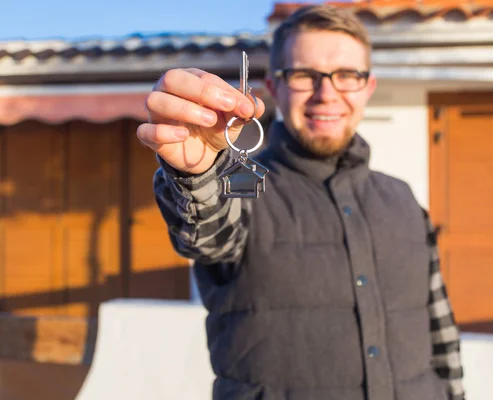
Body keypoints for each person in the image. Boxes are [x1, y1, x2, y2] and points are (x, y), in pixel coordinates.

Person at [137, 5, 465, 400]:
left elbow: (442, 337)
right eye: (304, 75)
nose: (327, 94)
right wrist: (198, 172)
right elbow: (211, 234)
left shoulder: (404, 200)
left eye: (347, 75)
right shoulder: (243, 185)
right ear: (274, 87)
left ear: (368, 86)